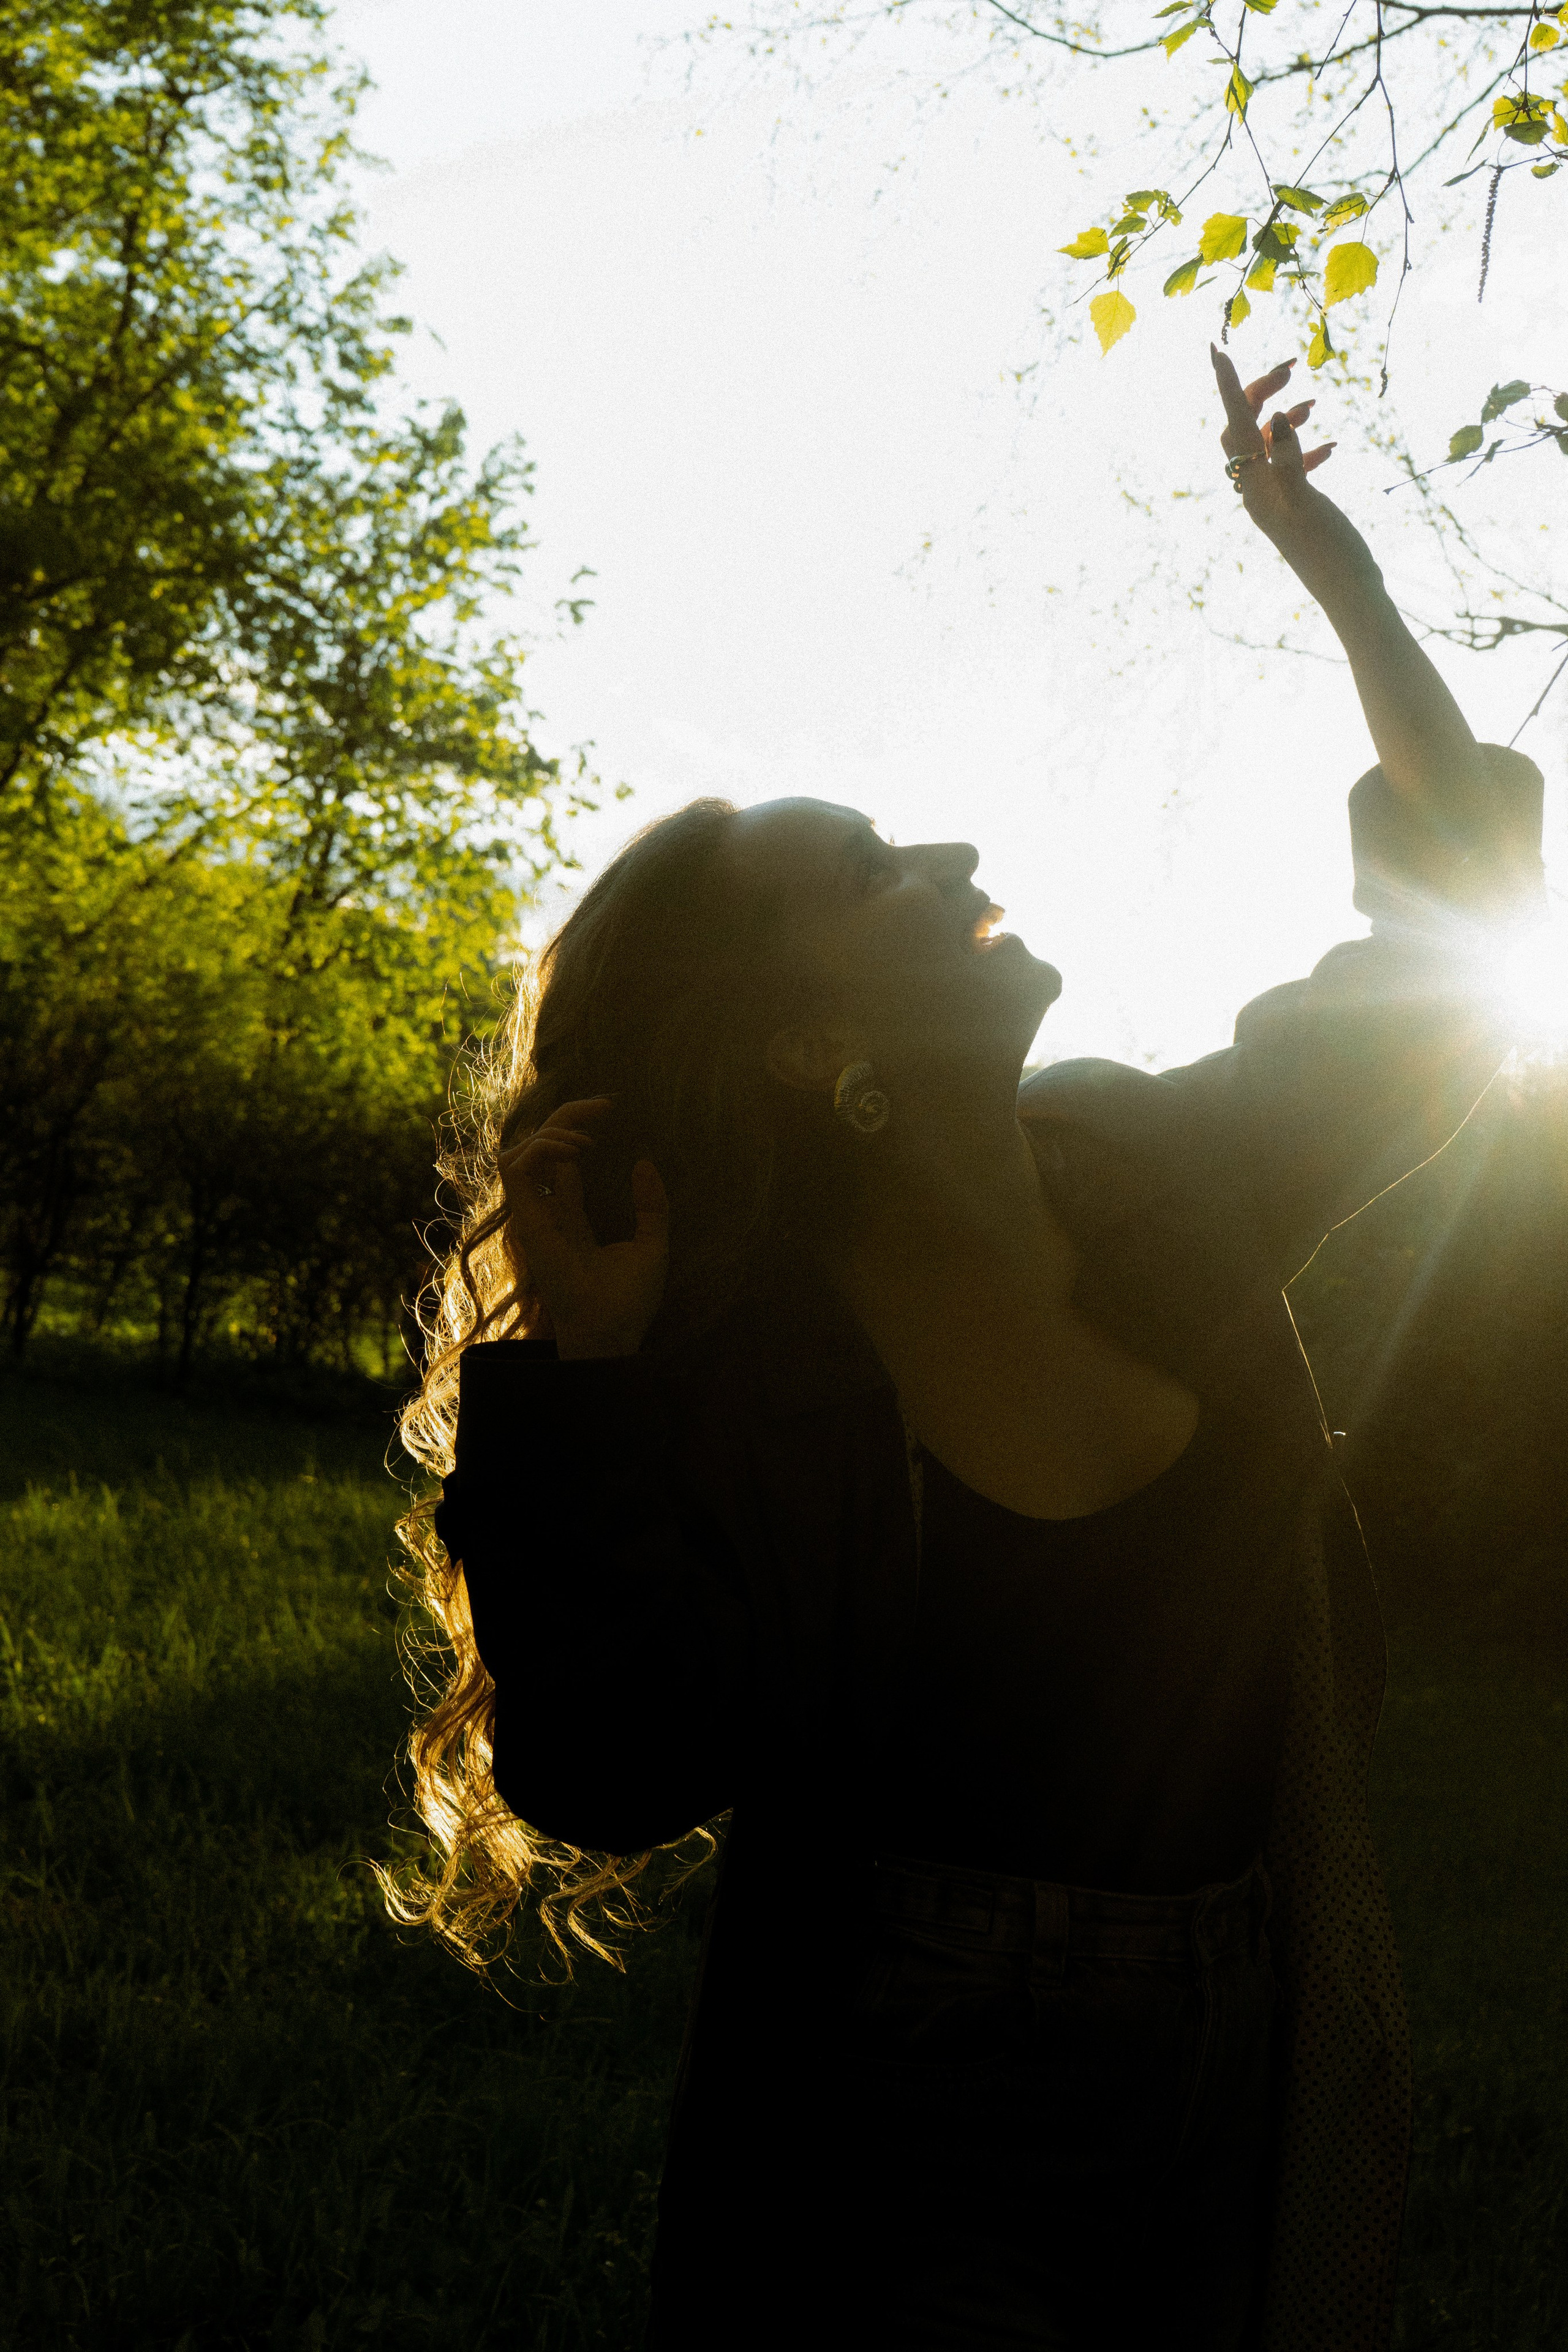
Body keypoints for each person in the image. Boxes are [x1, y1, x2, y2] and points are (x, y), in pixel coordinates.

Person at [394, 349, 1546, 2350]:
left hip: (1242, 2051)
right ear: (807, 1052)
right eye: (869, 871)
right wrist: (591, 1383)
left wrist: (1339, 574)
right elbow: (602, 1769)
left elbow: (1450, 927)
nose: (946, 860)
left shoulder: (1158, 1165)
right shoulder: (748, 1357)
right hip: (901, 2117)